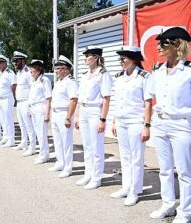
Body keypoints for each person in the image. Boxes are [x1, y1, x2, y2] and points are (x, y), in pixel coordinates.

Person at [148, 27, 191, 223]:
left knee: (184, 172)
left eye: (163, 44)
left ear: (176, 45)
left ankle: (186, 212)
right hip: (160, 124)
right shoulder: (157, 71)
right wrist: (148, 123)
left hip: (181, 125)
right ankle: (168, 205)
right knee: (164, 169)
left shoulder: (188, 71)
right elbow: (150, 99)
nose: (158, 47)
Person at [110, 46, 153, 206]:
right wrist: (114, 121)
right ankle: (126, 187)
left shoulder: (143, 77)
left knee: (136, 157)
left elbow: (148, 103)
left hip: (136, 121)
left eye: (124, 58)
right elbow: (117, 101)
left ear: (134, 59)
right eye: (120, 58)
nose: (121, 61)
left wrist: (147, 125)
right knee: (125, 156)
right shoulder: (119, 77)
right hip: (121, 121)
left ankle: (135, 191)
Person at [75, 46, 113, 189]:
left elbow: (106, 98)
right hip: (84, 110)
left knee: (96, 147)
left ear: (96, 58)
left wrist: (103, 119)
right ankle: (88, 174)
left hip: (95, 112)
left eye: (88, 56)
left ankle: (96, 177)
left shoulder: (103, 74)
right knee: (87, 146)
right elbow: (79, 98)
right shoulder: (85, 75)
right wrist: (78, 117)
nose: (85, 59)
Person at [48, 55, 78, 178]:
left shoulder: (70, 82)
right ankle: (60, 162)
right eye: (56, 68)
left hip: (64, 114)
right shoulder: (59, 82)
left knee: (66, 142)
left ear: (66, 69)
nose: (56, 71)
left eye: (59, 68)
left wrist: (68, 117)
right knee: (57, 141)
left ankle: (68, 167)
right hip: (55, 113)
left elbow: (73, 100)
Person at [12, 51, 36, 156]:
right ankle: (24, 142)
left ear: (23, 60)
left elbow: (32, 88)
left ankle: (32, 147)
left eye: (16, 61)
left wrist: (30, 104)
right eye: (14, 61)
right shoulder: (19, 72)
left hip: (26, 102)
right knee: (22, 125)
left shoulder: (27, 72)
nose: (15, 63)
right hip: (19, 102)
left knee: (29, 126)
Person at [28, 60, 52, 164]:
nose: (31, 72)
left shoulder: (44, 80)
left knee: (42, 133)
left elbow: (48, 97)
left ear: (38, 70)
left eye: (32, 70)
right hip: (34, 109)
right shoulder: (34, 81)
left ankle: (44, 155)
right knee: (38, 132)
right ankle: (43, 154)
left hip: (41, 108)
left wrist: (47, 114)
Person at [0, 54, 17, 147]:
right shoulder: (0, 73)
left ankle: (11, 140)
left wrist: (14, 98)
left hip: (7, 99)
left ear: (5, 63)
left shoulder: (10, 73)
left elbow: (14, 86)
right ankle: (6, 137)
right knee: (3, 120)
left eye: (0, 63)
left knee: (8, 120)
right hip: (0, 99)